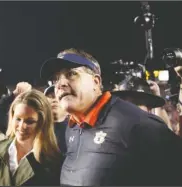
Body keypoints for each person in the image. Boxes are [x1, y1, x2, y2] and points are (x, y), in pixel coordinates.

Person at [40, 48, 182, 186]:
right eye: (55, 79)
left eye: (71, 74)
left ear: (96, 82)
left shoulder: (137, 124)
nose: (60, 84)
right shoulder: (73, 127)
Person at [0, 90, 62, 186]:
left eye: (29, 121)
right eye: (18, 119)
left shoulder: (52, 161)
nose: (21, 126)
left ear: (42, 123)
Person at [44, 85, 68, 154]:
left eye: (59, 96)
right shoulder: (37, 127)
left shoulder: (78, 128)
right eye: (51, 96)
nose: (55, 99)